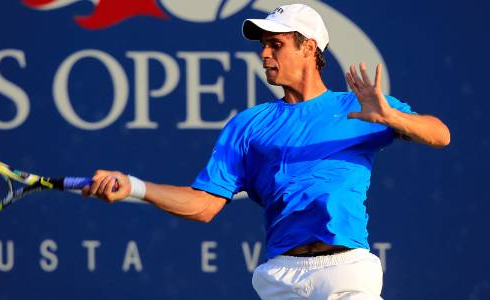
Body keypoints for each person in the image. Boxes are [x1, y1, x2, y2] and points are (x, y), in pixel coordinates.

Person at [82, 3, 450, 300]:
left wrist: (391, 117)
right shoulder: (247, 125)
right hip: (281, 279)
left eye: (276, 44)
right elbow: (204, 205)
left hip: (346, 273)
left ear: (308, 47)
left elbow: (440, 134)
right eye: (263, 45)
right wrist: (134, 186)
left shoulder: (358, 106)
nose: (264, 54)